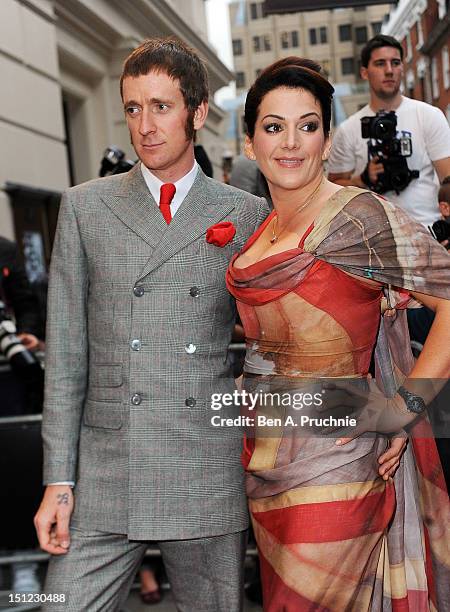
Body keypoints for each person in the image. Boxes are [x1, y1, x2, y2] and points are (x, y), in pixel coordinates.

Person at [33, 37, 271, 612]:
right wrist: (57, 481)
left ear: (197, 109)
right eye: (133, 108)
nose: (145, 125)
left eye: (161, 107)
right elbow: (66, 356)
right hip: (105, 470)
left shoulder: (244, 214)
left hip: (202, 462)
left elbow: (272, 340)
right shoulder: (85, 207)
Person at [225, 57, 450, 611]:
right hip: (263, 450)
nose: (291, 142)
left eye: (308, 125)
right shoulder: (260, 231)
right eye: (273, 126)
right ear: (250, 143)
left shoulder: (360, 216)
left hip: (338, 453)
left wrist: (401, 410)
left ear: (329, 141)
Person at [327, 34, 450, 228]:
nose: (389, 70)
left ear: (402, 67)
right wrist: (364, 178)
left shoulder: (429, 116)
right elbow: (332, 191)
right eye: (380, 63)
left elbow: (448, 180)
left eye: (395, 62)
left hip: (427, 231)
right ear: (364, 72)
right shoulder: (349, 129)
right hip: (373, 239)